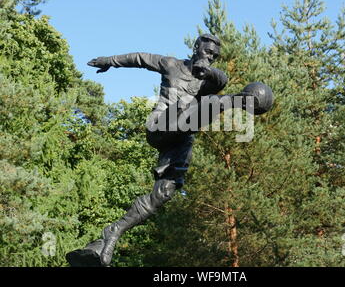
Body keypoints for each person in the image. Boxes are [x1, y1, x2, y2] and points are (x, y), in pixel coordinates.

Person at [66, 34, 273, 267]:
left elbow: (220, 77)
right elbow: (140, 58)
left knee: (163, 193)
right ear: (196, 47)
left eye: (214, 55)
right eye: (207, 51)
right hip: (162, 125)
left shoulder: (213, 81)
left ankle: (109, 236)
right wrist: (110, 60)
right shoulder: (171, 64)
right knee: (213, 103)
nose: (210, 56)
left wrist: (208, 72)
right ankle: (242, 99)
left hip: (181, 139)